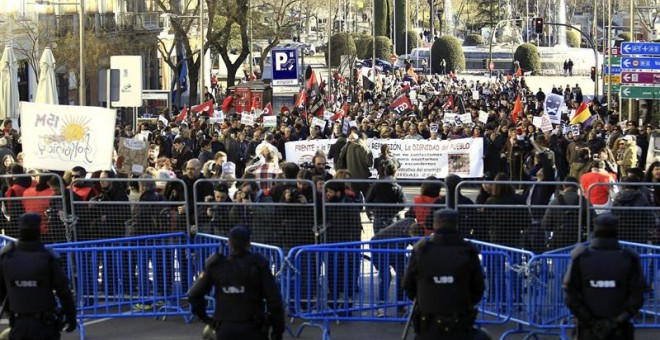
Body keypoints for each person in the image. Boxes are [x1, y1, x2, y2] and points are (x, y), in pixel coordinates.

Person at [188, 226, 285, 340]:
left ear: (229, 243)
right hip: (253, 327)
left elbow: (194, 294)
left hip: (225, 327)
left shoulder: (217, 266)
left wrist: (206, 318)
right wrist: (277, 329)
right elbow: (274, 299)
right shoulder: (258, 265)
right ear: (249, 243)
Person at [403, 209, 487, 340]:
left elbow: (408, 285)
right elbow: (478, 287)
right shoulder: (467, 251)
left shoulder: (421, 250)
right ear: (456, 225)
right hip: (460, 324)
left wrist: (424, 298)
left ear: (435, 225)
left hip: (428, 326)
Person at [563, 213, 649, 340]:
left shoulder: (581, 257)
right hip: (619, 330)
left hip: (588, 330)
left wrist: (591, 321)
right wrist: (616, 322)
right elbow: (637, 296)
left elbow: (570, 294)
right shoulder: (629, 258)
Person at [0, 213, 77, 339]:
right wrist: (71, 317)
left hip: (19, 324)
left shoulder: (7, 256)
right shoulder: (47, 257)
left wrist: (10, 310)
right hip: (44, 325)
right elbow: (64, 292)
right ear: (38, 230)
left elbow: (2, 291)